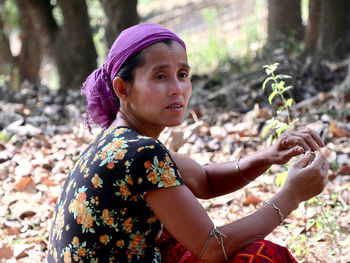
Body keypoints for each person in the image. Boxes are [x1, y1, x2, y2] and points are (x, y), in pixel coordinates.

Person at [48, 23, 329, 263]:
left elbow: (203, 180)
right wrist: (291, 195)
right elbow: (212, 247)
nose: (177, 89)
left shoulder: (119, 143)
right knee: (260, 256)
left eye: (182, 75)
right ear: (123, 88)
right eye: (160, 76)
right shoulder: (141, 153)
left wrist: (270, 155)